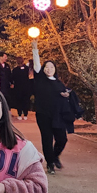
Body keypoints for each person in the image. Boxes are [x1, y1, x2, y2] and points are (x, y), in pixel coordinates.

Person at [31, 40, 71, 175]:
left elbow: (64, 95)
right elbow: (36, 64)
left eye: (51, 67)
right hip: (43, 114)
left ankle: (55, 156)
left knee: (62, 139)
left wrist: (66, 95)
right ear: (43, 69)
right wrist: (35, 49)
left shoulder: (59, 83)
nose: (49, 69)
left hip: (57, 115)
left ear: (55, 69)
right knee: (47, 139)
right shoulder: (40, 79)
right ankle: (50, 163)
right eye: (46, 67)